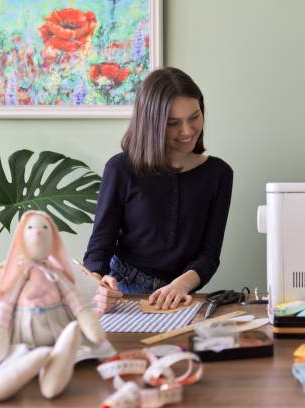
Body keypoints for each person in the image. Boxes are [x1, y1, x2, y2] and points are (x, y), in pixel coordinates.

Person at [84, 67, 233, 310]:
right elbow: (99, 248)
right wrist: (99, 285)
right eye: (173, 123)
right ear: (151, 123)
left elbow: (209, 255)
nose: (187, 131)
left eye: (194, 116)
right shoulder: (120, 169)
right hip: (124, 291)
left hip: (181, 295)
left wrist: (181, 285)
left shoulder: (219, 174)